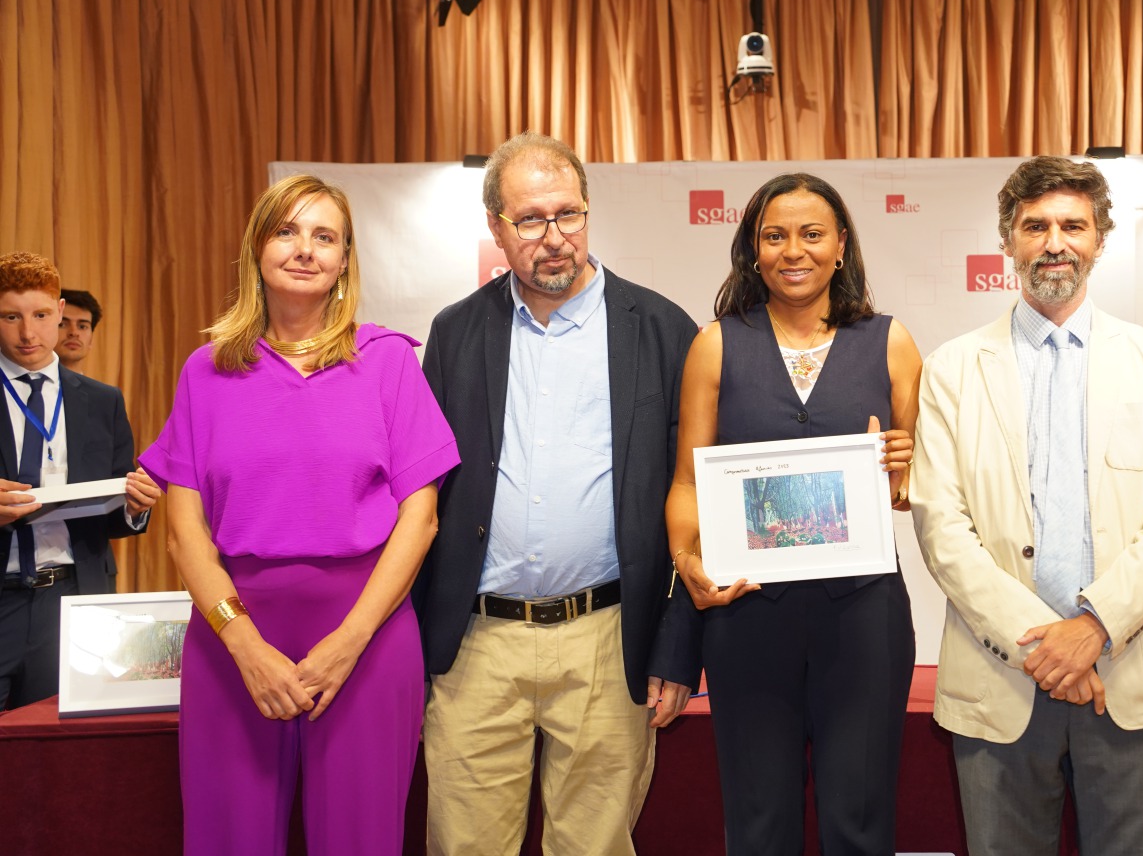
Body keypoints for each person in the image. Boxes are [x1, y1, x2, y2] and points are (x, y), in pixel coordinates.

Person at [139, 176, 459, 856]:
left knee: (360, 841)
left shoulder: (388, 363)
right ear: (258, 248)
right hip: (232, 638)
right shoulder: (205, 371)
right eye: (287, 231)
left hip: (367, 638)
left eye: (325, 236)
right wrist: (245, 646)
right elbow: (184, 531)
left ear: (346, 260)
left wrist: (348, 643)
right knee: (230, 841)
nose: (305, 250)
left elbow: (420, 518)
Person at [909, 156, 1143, 855]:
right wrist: (1048, 646)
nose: (1054, 242)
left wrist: (1094, 629)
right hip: (1001, 679)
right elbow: (941, 526)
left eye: (1073, 225)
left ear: (1100, 240)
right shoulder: (954, 368)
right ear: (1008, 243)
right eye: (1034, 226)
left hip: (1128, 681)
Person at [415, 132, 700, 856]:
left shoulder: (664, 332)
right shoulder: (455, 333)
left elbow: (698, 502)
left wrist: (676, 644)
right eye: (531, 220)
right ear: (496, 229)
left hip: (609, 639)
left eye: (568, 214)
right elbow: (424, 495)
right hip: (477, 642)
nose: (555, 238)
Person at [666, 173, 922, 855]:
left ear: (841, 245)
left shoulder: (891, 342)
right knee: (758, 825)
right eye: (775, 235)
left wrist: (905, 466)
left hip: (863, 618)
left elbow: (910, 490)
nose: (793, 250)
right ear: (754, 248)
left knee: (859, 823)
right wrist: (687, 560)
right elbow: (688, 481)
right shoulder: (715, 344)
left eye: (812, 234)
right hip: (749, 617)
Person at [0, 252, 158, 709]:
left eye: (42, 315)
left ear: (60, 311)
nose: (28, 333)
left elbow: (113, 508)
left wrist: (134, 507)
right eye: (11, 317)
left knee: (61, 756)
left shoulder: (103, 401)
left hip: (72, 600)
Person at [57, 288, 101, 371]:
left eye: (82, 327)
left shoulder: (93, 384)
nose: (74, 333)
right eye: (62, 325)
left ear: (91, 339)